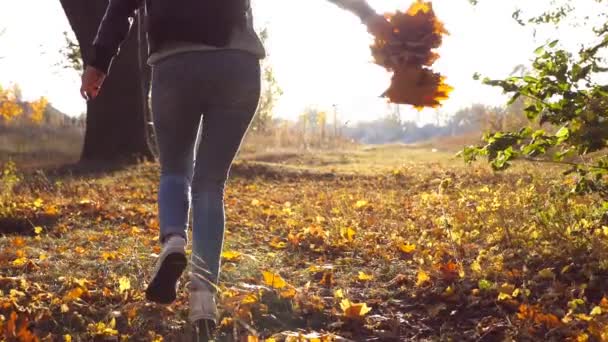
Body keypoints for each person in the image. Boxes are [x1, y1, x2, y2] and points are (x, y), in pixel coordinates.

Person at [80, 0, 393, 338]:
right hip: (237, 65)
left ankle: (173, 240)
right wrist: (366, 14)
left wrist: (98, 63)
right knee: (210, 184)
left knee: (174, 170)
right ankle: (203, 299)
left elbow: (119, 9)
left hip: (175, 65)